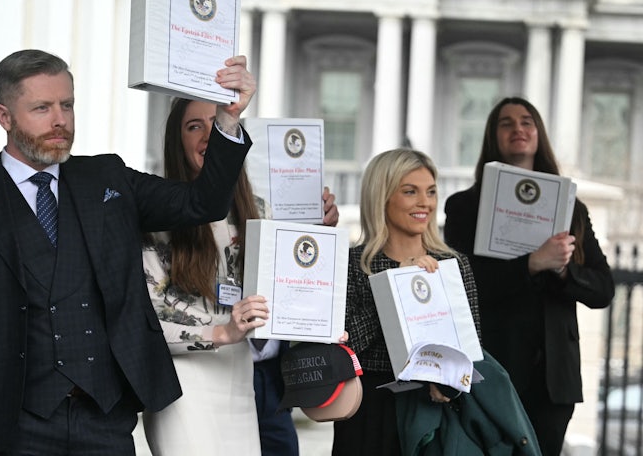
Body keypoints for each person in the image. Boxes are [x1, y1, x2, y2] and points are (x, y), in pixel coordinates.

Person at [0, 49, 255, 456]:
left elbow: (203, 204)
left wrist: (228, 120)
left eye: (67, 105)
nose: (60, 120)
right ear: (4, 117)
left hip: (107, 418)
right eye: (42, 108)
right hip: (14, 425)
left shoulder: (108, 178)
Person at [141, 97, 340, 456]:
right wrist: (221, 332)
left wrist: (317, 236)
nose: (207, 137)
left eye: (215, 124)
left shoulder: (259, 210)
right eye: (194, 126)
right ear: (176, 140)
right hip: (183, 381)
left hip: (239, 373)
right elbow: (147, 316)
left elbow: (287, 290)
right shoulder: (156, 212)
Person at [443, 96, 615, 456]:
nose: (518, 129)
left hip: (554, 377)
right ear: (493, 136)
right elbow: (461, 286)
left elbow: (603, 290)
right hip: (494, 364)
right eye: (506, 123)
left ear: (538, 134)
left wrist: (565, 268)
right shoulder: (463, 207)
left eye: (527, 121)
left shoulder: (572, 207)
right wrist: (531, 263)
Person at [332, 148, 482, 455]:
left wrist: (449, 386)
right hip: (369, 413)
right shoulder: (352, 263)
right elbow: (345, 346)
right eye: (410, 192)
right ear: (382, 197)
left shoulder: (453, 264)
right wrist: (394, 288)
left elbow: (471, 349)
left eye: (430, 192)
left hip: (434, 412)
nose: (424, 202)